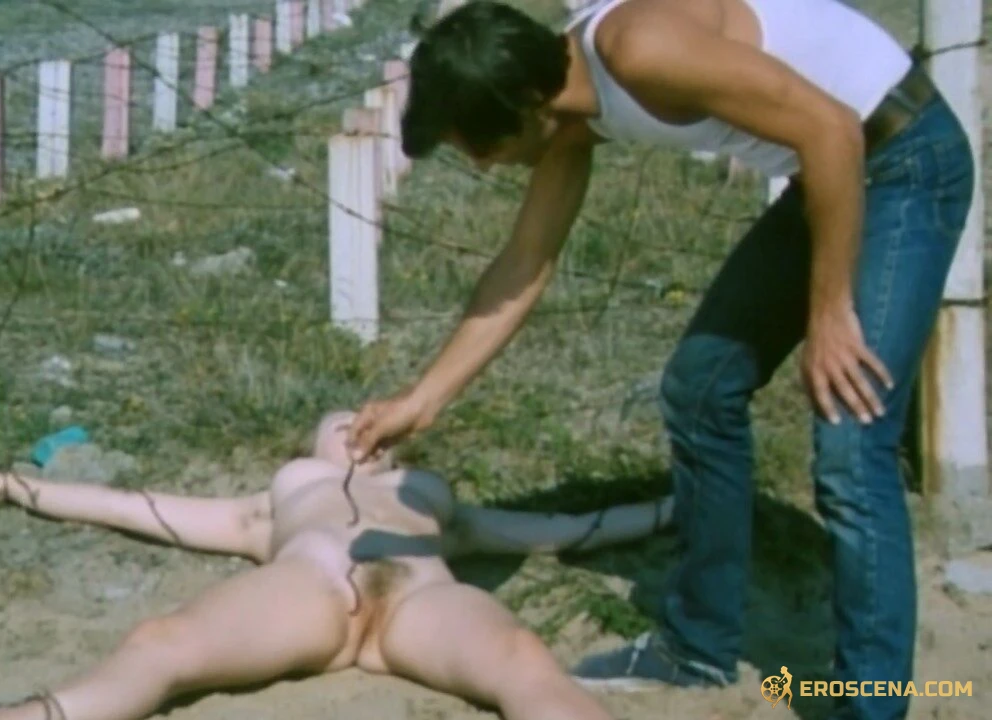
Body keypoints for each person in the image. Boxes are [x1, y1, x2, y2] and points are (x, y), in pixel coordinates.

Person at [345, 1, 974, 718]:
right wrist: (422, 399)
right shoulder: (568, 104)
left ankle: (872, 701)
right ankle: (697, 647)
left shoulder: (638, 49)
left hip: (901, 157)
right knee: (701, 389)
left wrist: (831, 313)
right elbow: (523, 265)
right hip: (827, 169)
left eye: (479, 146)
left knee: (851, 439)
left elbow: (830, 127)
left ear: (524, 107)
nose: (485, 165)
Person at [0, 410, 674, 720]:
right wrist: (13, 485)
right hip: (310, 592)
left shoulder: (433, 503)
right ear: (311, 444)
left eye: (370, 422)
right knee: (163, 642)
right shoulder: (270, 505)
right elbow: (136, 506)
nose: (357, 428)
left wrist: (679, 509)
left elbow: (568, 529)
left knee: (524, 659)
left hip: (422, 599)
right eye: (340, 422)